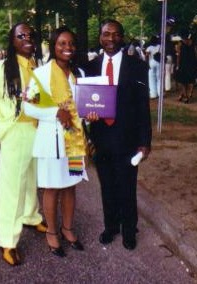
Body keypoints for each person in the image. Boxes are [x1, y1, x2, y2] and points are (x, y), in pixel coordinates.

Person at [0, 23, 47, 266]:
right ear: (12, 41)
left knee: (31, 179)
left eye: (30, 35)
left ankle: (31, 216)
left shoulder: (36, 66)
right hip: (14, 134)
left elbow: (39, 98)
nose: (27, 38)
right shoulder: (0, 69)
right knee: (11, 188)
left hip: (35, 131)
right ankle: (8, 241)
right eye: (20, 35)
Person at [84, 19, 152, 250]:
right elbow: (85, 106)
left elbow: (143, 106)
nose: (110, 39)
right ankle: (111, 226)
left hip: (128, 138)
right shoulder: (90, 68)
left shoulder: (137, 66)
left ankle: (129, 231)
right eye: (106, 34)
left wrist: (144, 142)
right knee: (107, 186)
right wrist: (88, 120)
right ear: (100, 37)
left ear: (122, 37)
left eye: (115, 34)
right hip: (101, 137)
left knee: (127, 186)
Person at [22, 26, 87, 257]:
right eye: (62, 43)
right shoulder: (40, 74)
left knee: (70, 186)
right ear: (53, 46)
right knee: (52, 187)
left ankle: (67, 229)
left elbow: (84, 106)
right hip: (52, 141)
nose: (67, 48)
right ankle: (52, 232)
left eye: (71, 44)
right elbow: (27, 106)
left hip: (75, 141)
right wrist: (54, 113)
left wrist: (89, 114)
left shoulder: (77, 74)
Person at [175, 31, 197, 103]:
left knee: (182, 81)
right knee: (191, 79)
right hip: (192, 63)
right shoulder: (193, 43)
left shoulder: (180, 43)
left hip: (183, 64)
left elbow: (178, 55)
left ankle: (185, 96)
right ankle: (189, 94)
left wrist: (177, 65)